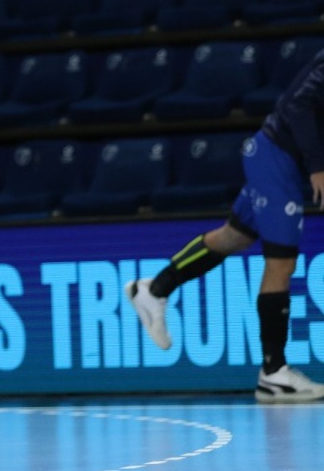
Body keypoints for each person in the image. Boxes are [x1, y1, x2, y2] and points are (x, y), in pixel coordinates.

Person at [126, 46, 324, 404]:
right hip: (278, 159)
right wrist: (317, 166)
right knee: (281, 262)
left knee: (233, 237)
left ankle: (154, 289)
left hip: (282, 163)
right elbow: (297, 105)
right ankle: (273, 373)